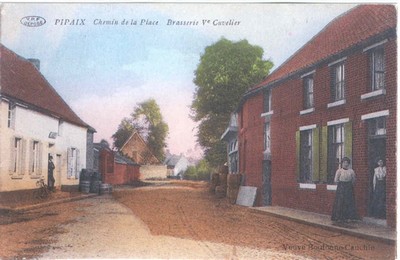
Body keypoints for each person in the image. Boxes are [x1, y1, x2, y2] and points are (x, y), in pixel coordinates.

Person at [331, 157, 359, 223]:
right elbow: (336, 180)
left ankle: (349, 217)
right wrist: (341, 184)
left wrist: (348, 184)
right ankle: (339, 217)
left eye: (347, 163)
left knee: (349, 201)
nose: (345, 164)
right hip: (341, 187)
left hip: (349, 187)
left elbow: (353, 179)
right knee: (340, 202)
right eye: (344, 163)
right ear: (342, 163)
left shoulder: (351, 171)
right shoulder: (339, 171)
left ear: (349, 164)